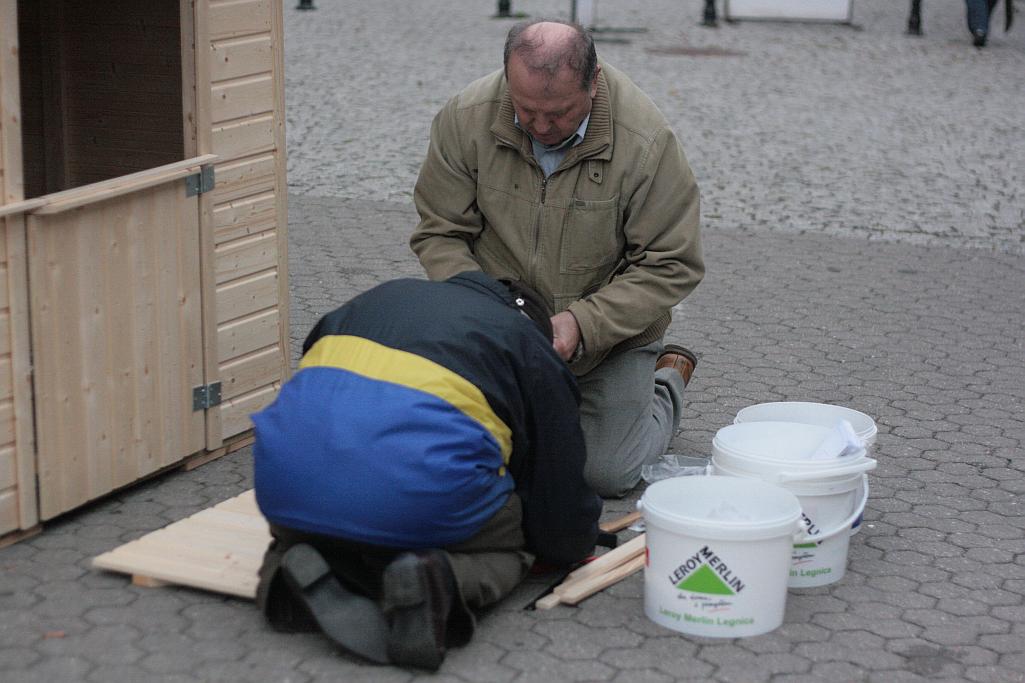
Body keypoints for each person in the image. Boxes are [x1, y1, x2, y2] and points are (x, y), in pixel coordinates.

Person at [410, 20, 704, 498]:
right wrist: (486, 307)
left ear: (593, 83)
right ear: (508, 79)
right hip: (497, 327)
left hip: (607, 340)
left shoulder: (645, 141)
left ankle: (668, 379)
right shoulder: (465, 117)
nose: (542, 128)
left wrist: (581, 325)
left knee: (605, 474)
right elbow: (440, 233)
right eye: (527, 112)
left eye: (561, 114)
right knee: (454, 449)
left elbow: (672, 263)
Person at [251, 272, 602, 670]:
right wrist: (572, 543)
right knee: (520, 536)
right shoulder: (527, 345)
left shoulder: (371, 299)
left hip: (283, 490)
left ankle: (288, 565)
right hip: (417, 502)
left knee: (341, 508)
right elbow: (560, 510)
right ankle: (440, 580)